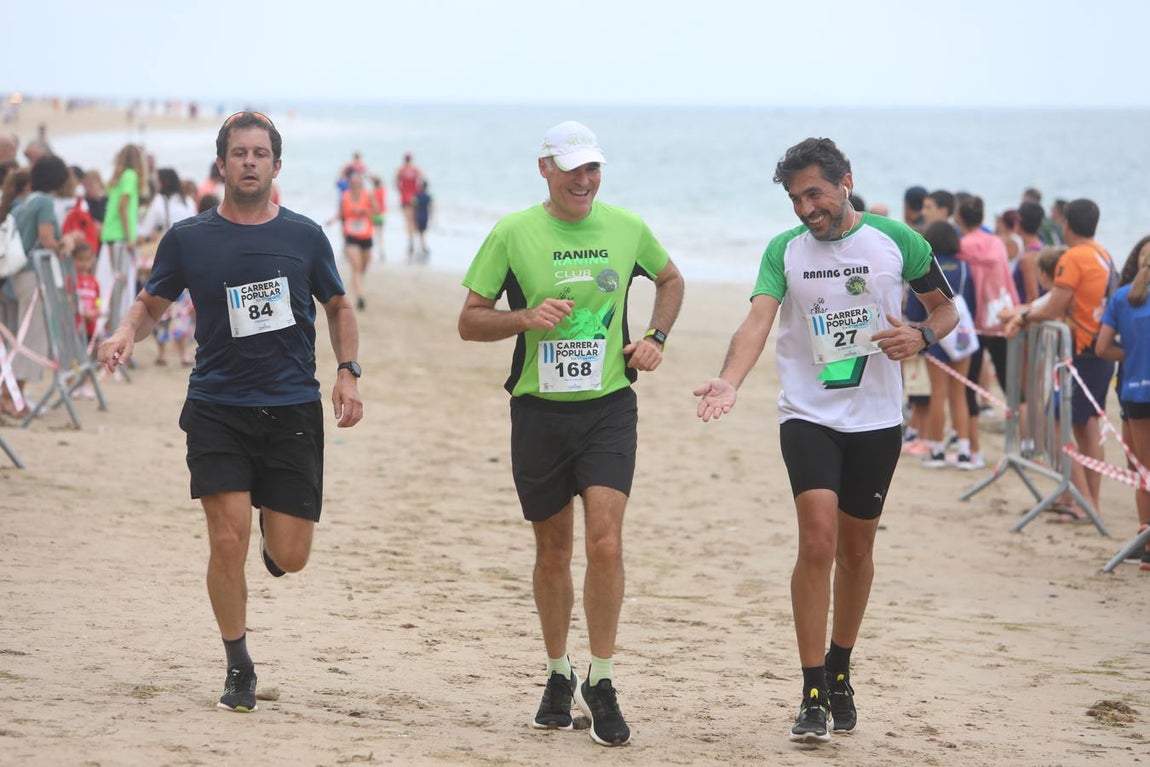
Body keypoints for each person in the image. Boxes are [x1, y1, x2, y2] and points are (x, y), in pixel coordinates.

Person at [96, 111, 364, 713]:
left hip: (291, 408)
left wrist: (347, 370)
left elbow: (339, 307)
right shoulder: (190, 237)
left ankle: (274, 534)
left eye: (259, 153)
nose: (249, 162)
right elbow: (151, 303)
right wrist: (124, 332)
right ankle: (238, 663)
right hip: (217, 406)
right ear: (221, 163)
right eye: (239, 153)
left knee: (291, 556)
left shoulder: (304, 236)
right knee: (225, 538)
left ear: (276, 165)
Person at [693, 138, 957, 743]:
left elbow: (945, 309)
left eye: (814, 193)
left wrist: (921, 336)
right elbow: (758, 320)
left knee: (856, 553)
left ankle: (841, 666)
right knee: (817, 541)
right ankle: (812, 688)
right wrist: (730, 380)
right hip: (807, 416)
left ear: (846, 183)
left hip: (876, 421)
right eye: (795, 198)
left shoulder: (897, 240)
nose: (805, 208)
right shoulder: (784, 250)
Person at [457, 120, 684, 747]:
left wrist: (656, 338)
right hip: (539, 413)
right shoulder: (512, 232)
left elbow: (671, 280)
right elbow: (469, 322)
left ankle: (601, 679)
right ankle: (558, 673)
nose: (585, 180)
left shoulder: (626, 227)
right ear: (545, 169)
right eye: (573, 168)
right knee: (553, 552)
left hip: (608, 408)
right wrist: (526, 317)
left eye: (593, 168)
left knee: (606, 544)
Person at [1014, 198, 1115, 520]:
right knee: (1086, 428)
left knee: (1057, 424)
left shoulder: (1073, 257)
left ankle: (1083, 502)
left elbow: (1054, 306)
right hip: (1099, 348)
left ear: (1066, 224)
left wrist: (1025, 317)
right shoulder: (1103, 254)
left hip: (1083, 350)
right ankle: (1088, 502)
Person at [1095, 236, 1150, 566]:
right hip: (1136, 390)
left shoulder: (1123, 297)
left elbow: (1102, 348)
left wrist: (1133, 357)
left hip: (1136, 392)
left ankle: (1147, 545)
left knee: (1143, 471)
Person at [138, 168, 197, 365]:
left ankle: (162, 354)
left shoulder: (158, 202)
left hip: (163, 261)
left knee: (159, 308)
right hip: (187, 260)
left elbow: (145, 229)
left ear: (162, 182)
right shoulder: (188, 201)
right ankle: (183, 354)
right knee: (182, 311)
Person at [96, 143, 146, 328]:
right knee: (119, 283)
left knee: (114, 281)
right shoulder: (131, 176)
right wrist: (129, 237)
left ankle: (107, 324)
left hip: (111, 233)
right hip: (119, 236)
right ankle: (110, 326)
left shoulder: (118, 177)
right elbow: (123, 206)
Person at [327, 169, 377, 311]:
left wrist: (365, 211)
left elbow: (377, 210)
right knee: (356, 266)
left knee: (363, 266)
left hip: (366, 235)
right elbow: (341, 213)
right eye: (353, 182)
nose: (355, 184)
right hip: (351, 235)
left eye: (357, 182)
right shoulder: (346, 196)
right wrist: (332, 220)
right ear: (350, 183)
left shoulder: (368, 195)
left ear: (361, 183)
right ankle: (360, 296)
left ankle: (358, 284)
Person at [395, 151, 422, 257]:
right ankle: (417, 240)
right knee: (414, 220)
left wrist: (401, 191)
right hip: (414, 196)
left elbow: (396, 183)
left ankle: (411, 240)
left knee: (408, 220)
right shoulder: (416, 170)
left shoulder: (401, 170)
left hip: (405, 197)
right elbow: (421, 183)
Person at [412, 179, 432, 262]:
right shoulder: (428, 197)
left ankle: (421, 247)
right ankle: (422, 247)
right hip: (425, 216)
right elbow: (431, 207)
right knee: (422, 232)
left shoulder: (416, 196)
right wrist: (432, 217)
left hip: (418, 216)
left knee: (419, 232)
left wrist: (413, 217)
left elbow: (414, 207)